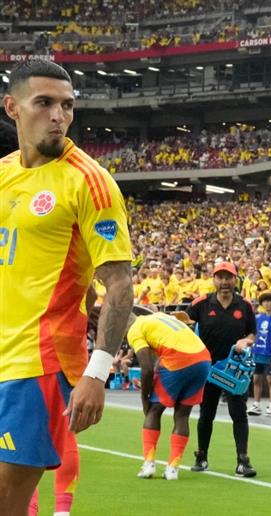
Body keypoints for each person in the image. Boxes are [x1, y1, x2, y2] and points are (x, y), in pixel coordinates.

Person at [0, 59, 134, 512]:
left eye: (67, 105)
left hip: (37, 365)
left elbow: (119, 284)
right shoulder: (3, 173)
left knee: (7, 499)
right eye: (44, 103)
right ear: (12, 108)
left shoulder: (89, 181)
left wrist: (97, 373)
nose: (58, 115)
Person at [186, 262, 258, 477]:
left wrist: (246, 341)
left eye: (228, 277)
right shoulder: (201, 303)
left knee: (239, 414)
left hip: (234, 369)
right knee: (206, 414)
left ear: (235, 280)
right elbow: (184, 323)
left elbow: (252, 333)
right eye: (220, 277)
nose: (224, 282)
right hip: (208, 368)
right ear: (214, 280)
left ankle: (243, 460)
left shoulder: (244, 305)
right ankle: (201, 456)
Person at [127, 308, 212, 482]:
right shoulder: (158, 318)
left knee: (154, 410)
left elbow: (146, 368)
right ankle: (173, 468)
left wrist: (145, 400)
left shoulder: (134, 329)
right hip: (203, 358)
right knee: (182, 415)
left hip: (178, 359)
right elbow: (158, 358)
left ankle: (149, 464)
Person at [248, 293, 271, 417]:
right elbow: (254, 335)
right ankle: (256, 405)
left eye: (269, 301)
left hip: (270, 355)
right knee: (256, 379)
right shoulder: (257, 318)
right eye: (264, 301)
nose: (266, 304)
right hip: (257, 353)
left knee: (270, 380)